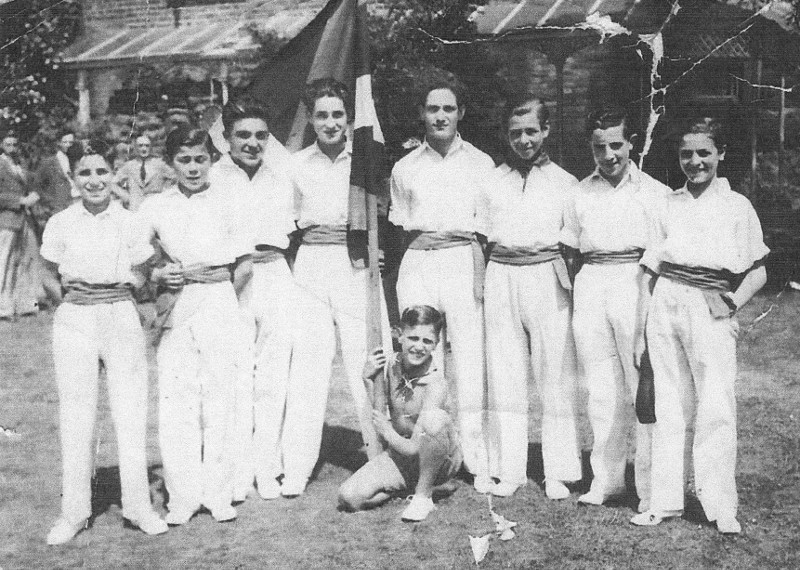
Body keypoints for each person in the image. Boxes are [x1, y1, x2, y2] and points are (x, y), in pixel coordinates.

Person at [631, 118, 768, 534]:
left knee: (716, 404)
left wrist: (732, 302)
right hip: (665, 302)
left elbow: (758, 269)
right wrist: (642, 328)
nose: (695, 162)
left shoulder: (737, 205)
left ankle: (720, 505)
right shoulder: (667, 203)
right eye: (686, 154)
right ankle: (664, 500)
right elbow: (649, 270)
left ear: (721, 154)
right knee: (667, 404)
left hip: (710, 305)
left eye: (704, 153)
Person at [40, 139, 167, 545]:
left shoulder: (129, 220)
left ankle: (138, 507)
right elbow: (46, 272)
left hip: (120, 315)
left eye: (101, 172)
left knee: (130, 410)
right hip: (75, 318)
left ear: (114, 175)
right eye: (85, 173)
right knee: (77, 413)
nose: (94, 181)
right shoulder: (60, 221)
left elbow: (146, 269)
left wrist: (129, 284)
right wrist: (72, 302)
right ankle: (74, 512)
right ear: (73, 179)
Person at [281, 77, 392, 497]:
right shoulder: (296, 164)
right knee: (307, 364)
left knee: (368, 359)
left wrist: (379, 254)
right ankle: (296, 465)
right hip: (311, 263)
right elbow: (286, 228)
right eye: (321, 115)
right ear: (310, 118)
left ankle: (381, 456)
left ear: (349, 118)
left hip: (356, 264)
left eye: (337, 115)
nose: (330, 123)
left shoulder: (364, 160)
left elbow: (387, 214)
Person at [138, 126, 251, 524]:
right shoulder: (155, 206)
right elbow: (135, 259)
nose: (192, 167)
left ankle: (218, 493)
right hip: (178, 303)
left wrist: (218, 297)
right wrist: (158, 276)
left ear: (212, 160)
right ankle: (181, 497)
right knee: (177, 399)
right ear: (170, 164)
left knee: (219, 399)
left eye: (199, 159)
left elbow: (244, 265)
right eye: (183, 160)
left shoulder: (230, 199)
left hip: (219, 299)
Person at [560, 107, 670, 511]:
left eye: (616, 145)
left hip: (637, 283)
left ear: (632, 144)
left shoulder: (655, 192)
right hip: (591, 283)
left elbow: (662, 252)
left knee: (642, 386)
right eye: (599, 147)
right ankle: (606, 481)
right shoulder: (579, 192)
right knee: (600, 389)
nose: (608, 155)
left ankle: (650, 486)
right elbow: (570, 250)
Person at [389, 71, 494, 492]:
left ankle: (474, 456)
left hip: (461, 260)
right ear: (422, 114)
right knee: (418, 359)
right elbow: (400, 227)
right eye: (433, 108)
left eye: (448, 108)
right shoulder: (404, 167)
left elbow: (484, 227)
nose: (440, 116)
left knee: (468, 359)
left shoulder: (481, 163)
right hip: (418, 261)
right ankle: (417, 452)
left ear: (461, 113)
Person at [483, 95, 581, 499]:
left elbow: (573, 246)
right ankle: (509, 469)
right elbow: (480, 236)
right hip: (501, 274)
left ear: (546, 131)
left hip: (547, 276)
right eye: (515, 133)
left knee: (554, 374)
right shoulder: (491, 180)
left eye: (531, 131)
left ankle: (559, 470)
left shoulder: (565, 182)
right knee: (504, 374)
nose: (523, 140)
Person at [210, 100, 297, 502]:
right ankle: (239, 469)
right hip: (232, 279)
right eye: (243, 135)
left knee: (274, 375)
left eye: (261, 135)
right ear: (226, 138)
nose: (252, 143)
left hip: (276, 273)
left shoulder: (281, 176)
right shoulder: (213, 178)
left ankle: (268, 467)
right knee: (237, 374)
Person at [338, 305, 461, 522]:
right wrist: (367, 379)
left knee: (435, 419)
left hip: (437, 460)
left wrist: (387, 432)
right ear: (399, 336)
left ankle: (423, 495)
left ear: (436, 344)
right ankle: (413, 488)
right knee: (349, 497)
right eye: (413, 338)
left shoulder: (435, 384)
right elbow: (381, 407)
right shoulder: (394, 364)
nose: (418, 347)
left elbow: (415, 447)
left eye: (427, 341)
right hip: (400, 455)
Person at [0, 131, 42, 318]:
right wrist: (20, 200)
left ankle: (24, 304)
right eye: (8, 144)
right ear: (2, 145)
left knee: (24, 261)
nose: (12, 148)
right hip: (6, 218)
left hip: (24, 219)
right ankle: (3, 307)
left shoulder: (19, 164)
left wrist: (34, 195)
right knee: (4, 262)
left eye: (15, 144)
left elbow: (31, 185)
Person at [115, 134, 175, 211]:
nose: (144, 149)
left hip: (155, 206)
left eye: (147, 146)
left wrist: (164, 192)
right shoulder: (129, 165)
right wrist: (125, 196)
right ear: (136, 148)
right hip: (135, 208)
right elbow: (113, 183)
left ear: (150, 148)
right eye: (140, 146)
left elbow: (175, 178)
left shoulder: (159, 164)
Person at [37, 129, 79, 217]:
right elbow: (37, 185)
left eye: (71, 143)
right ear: (59, 143)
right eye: (65, 142)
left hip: (77, 204)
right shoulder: (49, 162)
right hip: (59, 208)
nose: (68, 145)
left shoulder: (77, 161)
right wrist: (50, 203)